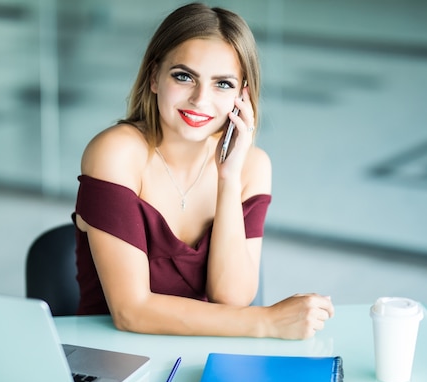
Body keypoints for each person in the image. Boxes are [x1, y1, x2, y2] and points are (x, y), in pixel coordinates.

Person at [73, 2, 334, 339]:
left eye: (222, 84)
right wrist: (267, 321)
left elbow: (232, 297)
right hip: (108, 357)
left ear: (243, 96)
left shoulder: (252, 166)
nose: (200, 99)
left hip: (201, 354)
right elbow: (130, 311)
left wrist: (228, 178)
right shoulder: (118, 152)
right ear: (154, 78)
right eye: (184, 77)